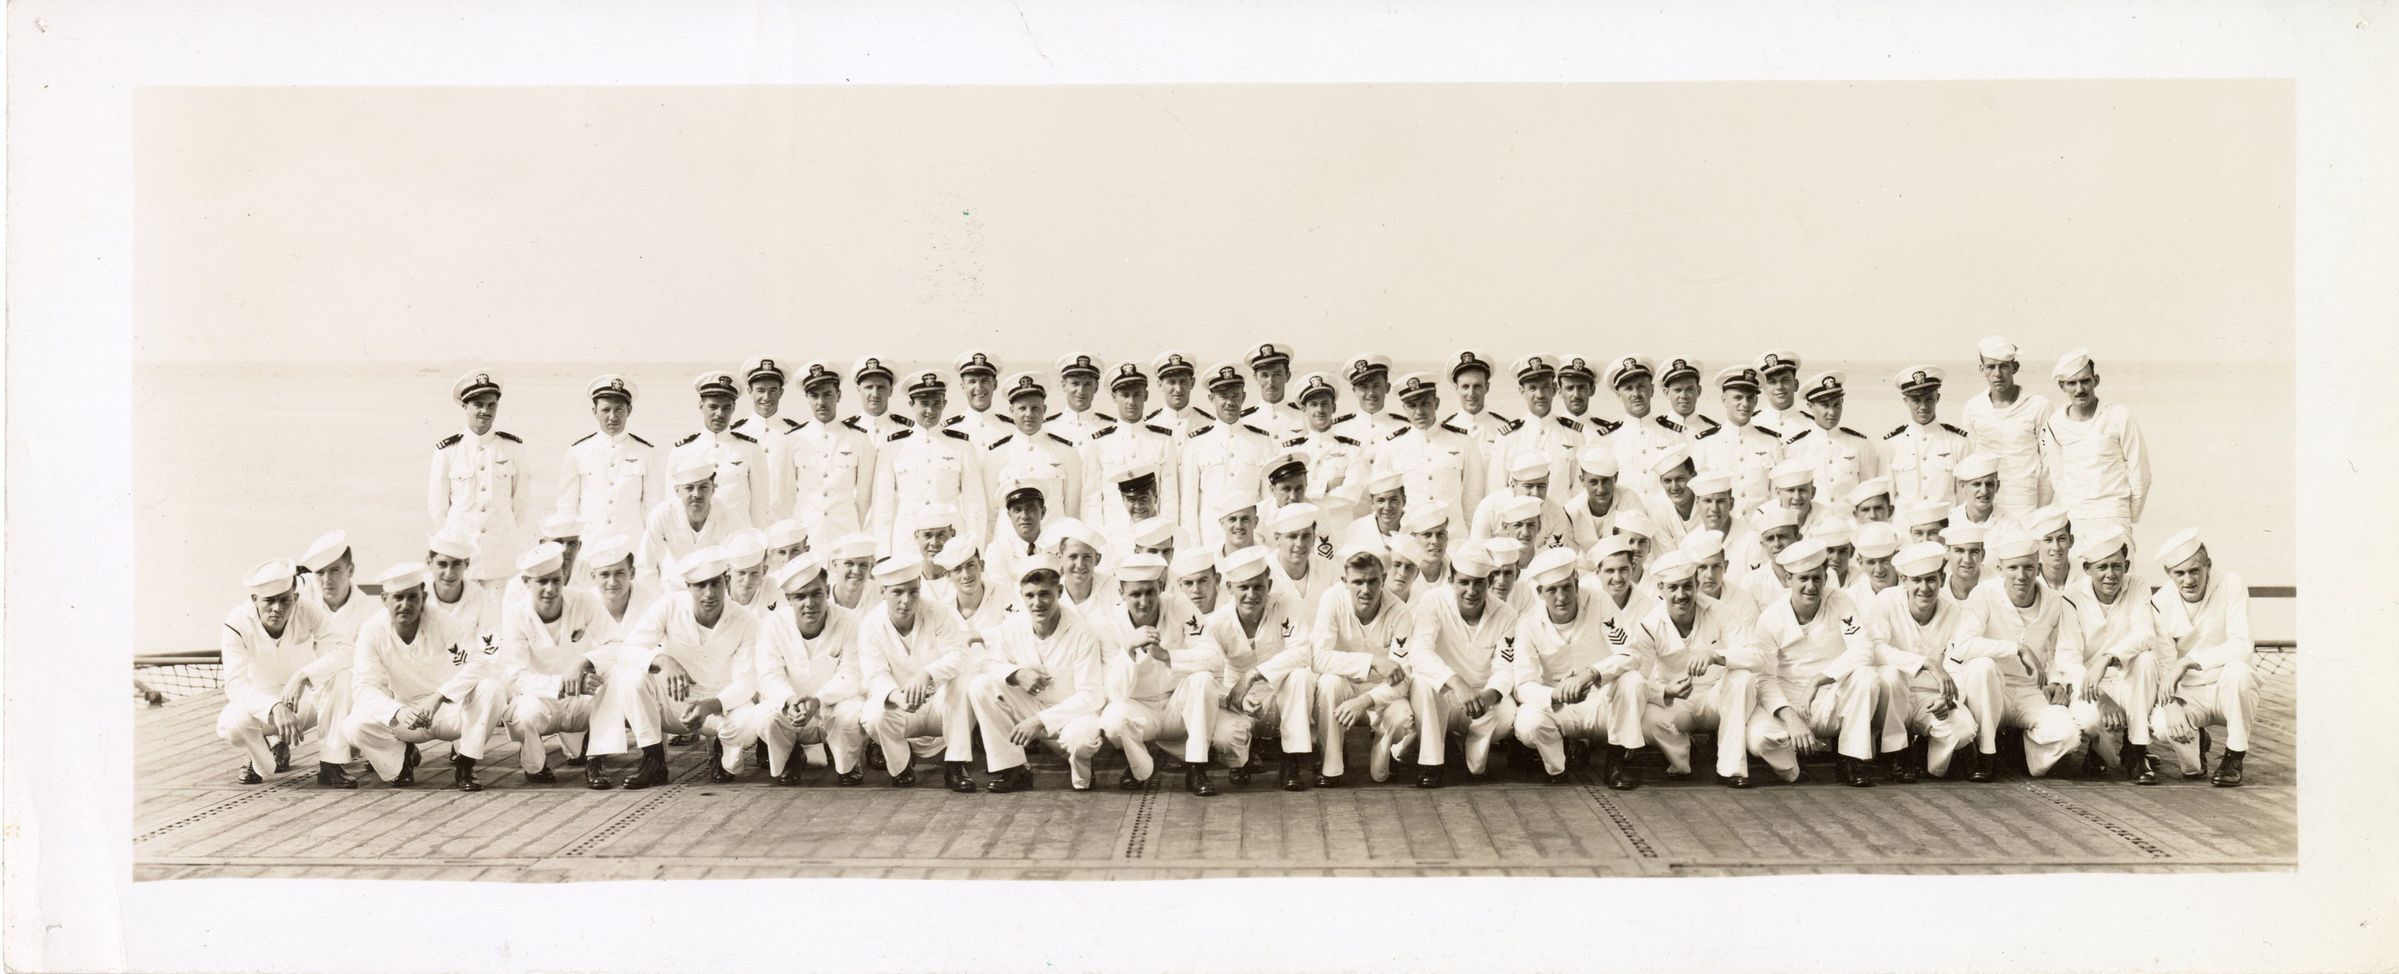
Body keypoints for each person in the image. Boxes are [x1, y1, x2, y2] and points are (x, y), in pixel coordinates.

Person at [585, 548, 762, 788]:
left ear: (727, 581)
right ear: (688, 587)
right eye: (700, 585)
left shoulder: (746, 620)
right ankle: (654, 759)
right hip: (673, 705)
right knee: (631, 678)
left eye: (715, 583)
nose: (709, 594)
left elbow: (747, 682)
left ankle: (722, 751)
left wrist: (711, 704)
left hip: (718, 709)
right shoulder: (669, 605)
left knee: (749, 722)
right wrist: (662, 660)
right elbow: (627, 649)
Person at [345, 562, 507, 792]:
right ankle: (401, 761)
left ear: (423, 596)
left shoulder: (442, 621)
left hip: (447, 711)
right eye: (398, 598)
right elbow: (363, 686)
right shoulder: (372, 630)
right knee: (354, 725)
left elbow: (479, 662)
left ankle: (466, 763)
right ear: (384, 599)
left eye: (412, 597)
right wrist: (398, 711)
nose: (405, 605)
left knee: (492, 689)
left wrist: (440, 696)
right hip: (404, 716)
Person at [1089, 553, 1241, 795]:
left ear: (1160, 586)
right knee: (1112, 721)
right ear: (1121, 593)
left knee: (1203, 680)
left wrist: (1167, 656)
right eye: (1135, 594)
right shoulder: (1107, 624)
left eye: (1150, 592)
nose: (1144, 601)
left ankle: (1196, 766)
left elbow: (1214, 659)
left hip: (1179, 706)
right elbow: (1115, 693)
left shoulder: (1179, 605)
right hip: (1140, 709)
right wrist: (1129, 649)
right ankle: (1139, 765)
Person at [1745, 539, 1889, 787]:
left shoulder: (1841, 602)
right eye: (1803, 579)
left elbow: (1863, 648)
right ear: (1788, 579)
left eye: (1817, 578)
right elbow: (1764, 678)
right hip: (1788, 701)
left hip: (1832, 698)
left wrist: (1819, 679)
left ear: (1825, 577)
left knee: (1867, 677)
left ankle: (1851, 759)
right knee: (1758, 739)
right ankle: (1795, 769)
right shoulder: (1771, 618)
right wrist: (1790, 717)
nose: (1811, 586)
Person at [720, 553, 872, 786]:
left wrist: (818, 700)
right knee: (765, 715)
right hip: (791, 709)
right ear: (789, 598)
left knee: (854, 710)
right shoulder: (773, 625)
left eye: (816, 594)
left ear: (828, 590)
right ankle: (788, 758)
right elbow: (769, 675)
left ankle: (848, 765)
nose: (809, 603)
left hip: (831, 706)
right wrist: (790, 700)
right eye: (800, 597)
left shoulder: (849, 621)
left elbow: (852, 675)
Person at [1948, 531, 2086, 781]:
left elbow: (2060, 650)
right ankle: (1985, 754)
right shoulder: (1984, 594)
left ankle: (2022, 752)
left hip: (2030, 691)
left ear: (2039, 567)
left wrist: (2056, 680)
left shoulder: (2055, 601)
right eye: (2013, 568)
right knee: (1982, 666)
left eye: (2028, 567)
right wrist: (2017, 648)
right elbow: (1963, 646)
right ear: (2000, 568)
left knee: (2068, 736)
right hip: (1989, 690)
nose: (2021, 576)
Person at [964, 557, 1109, 792]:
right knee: (981, 686)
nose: (1037, 603)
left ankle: (1083, 773)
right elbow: (989, 664)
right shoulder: (1013, 625)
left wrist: (1041, 721)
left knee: (1081, 740)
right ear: (1022, 596)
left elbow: (1092, 695)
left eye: (1044, 594)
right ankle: (1014, 769)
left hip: (1072, 716)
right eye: (1030, 595)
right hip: (1031, 708)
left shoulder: (1082, 631)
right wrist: (1016, 673)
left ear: (1059, 591)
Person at [1508, 547, 1648, 789]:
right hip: (1561, 708)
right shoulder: (1528, 624)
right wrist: (1555, 693)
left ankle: (1615, 761)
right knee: (1527, 721)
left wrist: (1592, 673)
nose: (1561, 596)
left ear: (1577, 582)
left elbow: (1630, 652)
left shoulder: (1600, 601)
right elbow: (1523, 684)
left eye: (1567, 587)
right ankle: (1557, 766)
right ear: (1540, 592)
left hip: (1603, 703)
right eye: (1552, 590)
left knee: (1633, 681)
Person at [1623, 551, 1762, 787]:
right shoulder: (1649, 624)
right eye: (1673, 588)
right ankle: (1681, 758)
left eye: (1687, 586)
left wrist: (1716, 656)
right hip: (1677, 704)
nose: (1681, 595)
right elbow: (1639, 678)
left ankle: (1731, 768)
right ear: (1660, 589)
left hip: (1715, 699)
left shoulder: (1719, 611)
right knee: (1643, 716)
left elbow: (1757, 657)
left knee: (1742, 678)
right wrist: (1665, 690)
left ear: (1696, 584)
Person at [852, 551, 985, 791]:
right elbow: (874, 674)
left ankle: (955, 765)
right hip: (900, 708)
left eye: (913, 591)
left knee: (965, 682)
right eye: (897, 592)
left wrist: (927, 674)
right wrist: (896, 697)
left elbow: (960, 655)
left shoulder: (938, 612)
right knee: (873, 713)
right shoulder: (870, 625)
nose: (907, 600)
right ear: (882, 592)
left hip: (939, 706)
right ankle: (901, 767)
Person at [218, 559, 357, 787]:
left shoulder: (308, 609)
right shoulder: (236, 622)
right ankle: (258, 759)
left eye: (285, 600)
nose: (277, 608)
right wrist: (273, 706)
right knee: (232, 723)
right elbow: (235, 685)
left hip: (303, 702)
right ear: (254, 600)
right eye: (269, 601)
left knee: (341, 676)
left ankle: (331, 764)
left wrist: (303, 675)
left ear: (296, 596)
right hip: (263, 710)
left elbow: (347, 649)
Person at [1398, 546, 1521, 787]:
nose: (1471, 591)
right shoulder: (1433, 600)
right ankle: (1431, 763)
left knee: (1506, 714)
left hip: (1480, 698)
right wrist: (1456, 683)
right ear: (1451, 579)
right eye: (1464, 582)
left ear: (1490, 581)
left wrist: (1489, 695)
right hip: (1444, 692)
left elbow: (1506, 667)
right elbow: (1420, 652)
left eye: (1479, 583)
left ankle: (1468, 754)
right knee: (1422, 682)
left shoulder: (1507, 615)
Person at [1862, 541, 1983, 782]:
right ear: (1904, 580)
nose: (1924, 588)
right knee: (1889, 675)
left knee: (1963, 731)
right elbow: (1876, 649)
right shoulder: (1887, 600)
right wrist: (1925, 662)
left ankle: (1923, 754)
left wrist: (1948, 699)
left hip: (1930, 697)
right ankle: (1897, 752)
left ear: (1941, 577)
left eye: (1931, 579)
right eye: (1916, 580)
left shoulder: (1953, 612)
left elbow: (1958, 661)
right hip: (1891, 698)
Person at [496, 543, 612, 787]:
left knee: (613, 691)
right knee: (525, 714)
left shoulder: (584, 601)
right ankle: (534, 764)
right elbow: (515, 676)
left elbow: (615, 642)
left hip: (580, 698)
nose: (550, 589)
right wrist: (564, 683)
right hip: (540, 700)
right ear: (527, 582)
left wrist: (585, 661)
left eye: (556, 581)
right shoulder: (516, 615)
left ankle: (595, 760)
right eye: (542, 582)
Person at [2148, 528, 2257, 786]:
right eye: (2179, 573)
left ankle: (2234, 755)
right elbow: (2164, 663)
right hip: (2191, 693)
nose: (2188, 580)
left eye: (2195, 570)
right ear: (2168, 574)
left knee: (2240, 672)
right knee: (2164, 726)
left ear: (2208, 565)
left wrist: (2188, 661)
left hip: (2226, 687)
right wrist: (2170, 703)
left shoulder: (2231, 582)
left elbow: (2242, 645)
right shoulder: (2160, 602)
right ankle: (2196, 752)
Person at [1203, 547, 1319, 790]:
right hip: (1237, 700)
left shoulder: (1285, 603)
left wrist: (1254, 674)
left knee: (1302, 675)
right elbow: (1209, 676)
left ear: (1269, 584)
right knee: (1225, 737)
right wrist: (1233, 697)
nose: (1251, 595)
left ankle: (1290, 760)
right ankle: (1240, 761)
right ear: (1229, 589)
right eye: (1243, 587)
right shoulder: (1216, 623)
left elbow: (1302, 651)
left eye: (1258, 587)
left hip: (1278, 697)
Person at [1306, 537, 1415, 786]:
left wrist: (1365, 700)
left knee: (1403, 716)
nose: (1365, 590)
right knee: (1329, 684)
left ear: (1383, 579)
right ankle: (1330, 765)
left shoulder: (1399, 611)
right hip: (1345, 687)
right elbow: (1317, 658)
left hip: (1381, 694)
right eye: (1357, 582)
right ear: (1345, 582)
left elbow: (1404, 678)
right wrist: (1372, 661)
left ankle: (1382, 750)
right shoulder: (1332, 599)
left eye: (1372, 581)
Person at [2057, 526, 2161, 783]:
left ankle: (2136, 751)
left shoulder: (2138, 585)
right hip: (2090, 684)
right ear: (2087, 569)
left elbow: (2145, 634)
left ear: (2126, 565)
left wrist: (2108, 657)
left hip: (2129, 678)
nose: (2110, 575)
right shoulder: (2072, 597)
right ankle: (2100, 752)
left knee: (2146, 659)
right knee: (2090, 721)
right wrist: (2101, 698)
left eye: (2117, 566)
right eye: (2102, 567)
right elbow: (2068, 657)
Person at [428, 370, 530, 594]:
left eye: (491, 405)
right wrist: (453, 548)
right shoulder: (447, 452)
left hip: (501, 558)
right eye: (478, 404)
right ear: (465, 407)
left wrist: (504, 535)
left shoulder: (512, 448)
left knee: (498, 622)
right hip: (463, 559)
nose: (485, 411)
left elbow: (520, 503)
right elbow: (438, 508)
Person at [869, 369, 990, 553]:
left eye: (936, 404)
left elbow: (975, 505)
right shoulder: (893, 447)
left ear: (945, 404)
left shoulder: (962, 446)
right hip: (907, 541)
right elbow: (882, 506)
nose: (930, 410)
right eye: (924, 403)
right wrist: (883, 553)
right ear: (911, 404)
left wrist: (974, 549)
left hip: (950, 540)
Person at [2042, 348, 2152, 541]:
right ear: (2062, 386)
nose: (2080, 389)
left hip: (2114, 516)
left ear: (2096, 380)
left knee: (2121, 571)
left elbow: (2140, 471)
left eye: (2085, 381)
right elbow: (2058, 477)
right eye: (2072, 383)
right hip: (2076, 518)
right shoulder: (2055, 424)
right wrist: (2072, 510)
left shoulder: (2118, 415)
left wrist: (2126, 514)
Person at [1179, 363, 1275, 552]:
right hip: (1210, 538)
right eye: (1223, 396)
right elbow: (1189, 503)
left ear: (1244, 397)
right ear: (1211, 398)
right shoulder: (1197, 442)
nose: (1229, 403)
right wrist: (1194, 548)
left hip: (1252, 539)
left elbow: (1268, 499)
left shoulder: (1261, 441)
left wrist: (1263, 541)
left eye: (1235, 396)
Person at [556, 374, 660, 548]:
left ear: (629, 411)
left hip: (630, 547)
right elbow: (567, 506)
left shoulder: (646, 453)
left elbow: (653, 507)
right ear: (594, 412)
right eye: (605, 410)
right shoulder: (577, 452)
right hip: (589, 546)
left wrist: (653, 551)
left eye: (619, 409)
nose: (612, 416)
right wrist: (567, 548)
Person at [1082, 363, 1182, 541]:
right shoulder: (1099, 442)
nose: (1131, 402)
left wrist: (1166, 535)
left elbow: (1170, 496)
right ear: (1114, 396)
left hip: (1153, 534)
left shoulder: (1163, 441)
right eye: (1125, 395)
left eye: (1137, 395)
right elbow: (1092, 498)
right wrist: (1096, 539)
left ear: (1146, 395)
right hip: (1113, 535)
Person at [1377, 372, 1487, 532]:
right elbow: (1383, 496)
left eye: (1425, 404)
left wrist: (1471, 539)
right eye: (1412, 406)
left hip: (1454, 536)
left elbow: (1473, 497)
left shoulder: (1463, 441)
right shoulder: (1392, 446)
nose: (1419, 412)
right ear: (1404, 409)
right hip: (1411, 537)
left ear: (1436, 403)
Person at [782, 360, 876, 543]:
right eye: (814, 396)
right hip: (806, 533)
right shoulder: (793, 440)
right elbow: (787, 495)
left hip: (845, 532)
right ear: (807, 398)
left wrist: (855, 531)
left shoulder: (858, 439)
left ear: (838, 395)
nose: (821, 402)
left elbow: (864, 497)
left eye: (827, 394)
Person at [1960, 336, 2052, 517]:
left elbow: (2049, 465)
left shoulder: (2039, 406)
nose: (1997, 374)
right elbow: (1971, 460)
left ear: (2014, 367)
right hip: (1987, 504)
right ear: (1982, 369)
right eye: (1991, 367)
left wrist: (2041, 512)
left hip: (2026, 504)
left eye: (2003, 366)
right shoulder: (1973, 408)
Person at [670, 370, 770, 532]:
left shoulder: (750, 449)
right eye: (713, 407)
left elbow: (760, 504)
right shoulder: (682, 451)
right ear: (701, 406)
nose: (720, 414)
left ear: (734, 408)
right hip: (696, 541)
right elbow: (672, 505)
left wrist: (758, 542)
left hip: (737, 539)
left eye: (726, 408)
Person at [986, 372, 1085, 534]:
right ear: (1011, 410)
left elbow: (1072, 510)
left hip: (1053, 540)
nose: (1029, 414)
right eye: (1022, 408)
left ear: (1044, 410)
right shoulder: (996, 453)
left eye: (1035, 408)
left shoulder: (1066, 452)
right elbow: (992, 511)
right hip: (1010, 544)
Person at [1281, 371, 1373, 530]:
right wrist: (1327, 486)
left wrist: (1306, 492)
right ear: (1303, 409)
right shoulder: (1291, 450)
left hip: (1339, 528)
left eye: (1325, 403)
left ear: (1334, 407)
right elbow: (1284, 492)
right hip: (1301, 527)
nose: (1320, 410)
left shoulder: (1353, 449)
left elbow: (1351, 495)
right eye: (1313, 404)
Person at [1486, 355, 1583, 499]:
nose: (1540, 395)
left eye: (1545, 387)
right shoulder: (1508, 436)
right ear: (1521, 391)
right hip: (1521, 519)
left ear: (1555, 389)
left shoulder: (1572, 434)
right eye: (1532, 388)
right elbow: (1496, 490)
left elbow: (1578, 491)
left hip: (1560, 519)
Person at [1695, 365, 1786, 515]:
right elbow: (1700, 496)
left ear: (1756, 401)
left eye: (1750, 398)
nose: (1745, 404)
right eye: (1738, 397)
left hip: (1760, 528)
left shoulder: (1771, 443)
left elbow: (1778, 495)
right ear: (1724, 400)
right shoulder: (1705, 443)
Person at [1782, 370, 1881, 507]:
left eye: (1836, 405)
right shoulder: (1795, 447)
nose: (1832, 412)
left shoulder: (1860, 444)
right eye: (1825, 406)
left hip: (1849, 523)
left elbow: (1870, 493)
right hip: (1813, 524)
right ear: (1810, 406)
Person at [641, 456, 741, 585]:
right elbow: (646, 565)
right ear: (677, 491)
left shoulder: (730, 519)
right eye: (689, 488)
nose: (697, 494)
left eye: (703, 487)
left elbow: (736, 567)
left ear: (713, 489)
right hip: (674, 587)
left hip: (713, 591)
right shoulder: (662, 515)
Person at [730, 356, 805, 522]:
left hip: (786, 528)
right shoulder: (734, 434)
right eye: (760, 390)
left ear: (781, 392)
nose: (767, 397)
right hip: (746, 529)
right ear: (750, 391)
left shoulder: (797, 435)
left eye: (773, 390)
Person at [1884, 365, 1970, 508]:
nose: (1923, 407)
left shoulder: (1958, 442)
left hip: (1944, 526)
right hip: (1905, 526)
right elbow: (1888, 498)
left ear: (1938, 398)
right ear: (1905, 401)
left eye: (1929, 399)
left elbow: (1964, 498)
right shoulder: (1892, 443)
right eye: (1916, 400)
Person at [1603, 355, 1677, 496]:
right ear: (1618, 395)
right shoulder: (1607, 439)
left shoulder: (1673, 434)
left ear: (1652, 390)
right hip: (1626, 515)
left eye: (1641, 386)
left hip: (1663, 516)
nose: (1636, 394)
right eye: (1628, 388)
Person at [424, 529, 500, 644]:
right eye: (442, 564)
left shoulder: (482, 599)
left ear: (467, 564)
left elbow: (489, 647)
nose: (449, 573)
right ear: (429, 562)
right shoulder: (415, 594)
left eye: (456, 564)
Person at [1264, 501, 1337, 610]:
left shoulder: (1329, 570)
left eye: (1306, 536)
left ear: (1313, 539)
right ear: (1277, 538)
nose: (1299, 544)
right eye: (1292, 536)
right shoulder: (1263, 571)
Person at [1444, 350, 1512, 459]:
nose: (1471, 393)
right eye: (1465, 386)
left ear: (1487, 387)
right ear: (1457, 389)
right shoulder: (1445, 431)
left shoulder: (1504, 430)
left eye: (1477, 386)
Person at [1332, 353, 1408, 445]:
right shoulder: (1337, 429)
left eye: (1377, 386)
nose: (1371, 393)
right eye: (1364, 387)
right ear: (1354, 391)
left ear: (1387, 388)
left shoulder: (1407, 428)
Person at [946, 350, 1016, 449]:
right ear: (963, 387)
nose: (979, 387)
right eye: (972, 381)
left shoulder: (1013, 429)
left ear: (995, 384)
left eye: (985, 381)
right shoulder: (949, 430)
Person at [1242, 343, 1306, 441]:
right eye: (1264, 375)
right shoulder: (1244, 420)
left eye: (1277, 374)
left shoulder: (1304, 416)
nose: (1271, 382)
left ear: (1287, 376)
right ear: (1256, 378)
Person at [1048, 352, 1116, 442]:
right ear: (1063, 385)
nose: (1081, 391)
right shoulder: (1046, 428)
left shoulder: (1113, 428)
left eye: (1087, 384)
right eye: (1075, 383)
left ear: (1096, 387)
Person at [1145, 351, 1214, 438]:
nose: (1178, 389)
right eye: (1171, 382)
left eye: (1183, 382)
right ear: (1160, 385)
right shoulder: (1148, 425)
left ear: (1192, 383)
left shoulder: (1209, 424)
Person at [1946, 453, 2015, 540]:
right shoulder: (1950, 521)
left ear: (1997, 486)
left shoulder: (2009, 526)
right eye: (1977, 484)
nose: (1984, 491)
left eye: (1989, 484)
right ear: (1962, 486)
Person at [846, 355, 912, 441]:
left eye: (881, 387)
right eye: (869, 387)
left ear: (891, 390)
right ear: (859, 390)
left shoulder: (909, 429)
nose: (875, 394)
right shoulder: (845, 430)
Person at [1655, 356, 1720, 443]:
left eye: (1689, 389)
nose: (1684, 395)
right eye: (1677, 390)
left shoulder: (1713, 431)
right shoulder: (1654, 429)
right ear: (1666, 393)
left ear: (1699, 391)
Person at [1751, 350, 1809, 434]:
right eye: (1772, 382)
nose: (1779, 387)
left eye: (1785, 380)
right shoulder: (1751, 424)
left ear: (1796, 385)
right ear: (1764, 388)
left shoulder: (1813, 425)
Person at [1556, 356, 1614, 434]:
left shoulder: (1607, 431)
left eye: (1581, 388)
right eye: (1569, 388)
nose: (1576, 395)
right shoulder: (1551, 429)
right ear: (1560, 391)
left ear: (1592, 390)